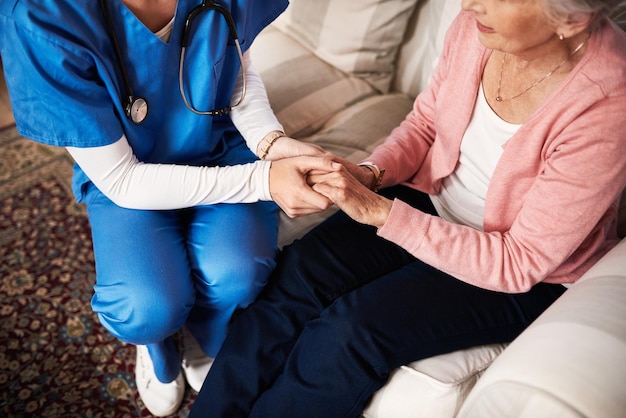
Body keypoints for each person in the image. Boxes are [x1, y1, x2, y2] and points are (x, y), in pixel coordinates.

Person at [190, 0, 626, 416]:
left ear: (573, 20)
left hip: (515, 269)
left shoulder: (608, 102)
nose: (471, 5)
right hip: (432, 198)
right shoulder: (480, 29)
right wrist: (371, 175)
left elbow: (518, 262)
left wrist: (379, 212)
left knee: (349, 334)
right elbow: (426, 124)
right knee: (294, 278)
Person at [0, 0, 338, 415]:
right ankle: (158, 348)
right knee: (145, 305)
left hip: (218, 144)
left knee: (239, 272)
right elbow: (122, 178)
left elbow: (236, 72)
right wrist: (262, 180)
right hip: (127, 170)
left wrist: (270, 142)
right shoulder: (39, 15)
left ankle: (204, 335)